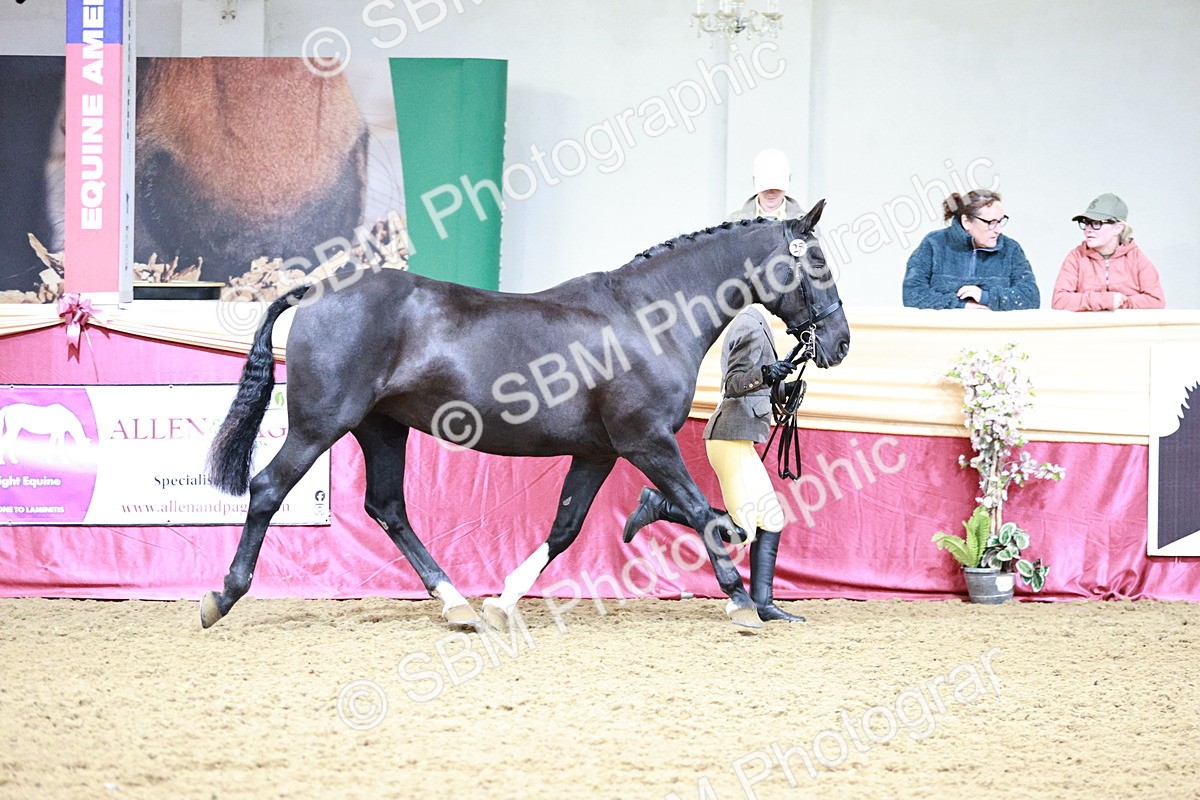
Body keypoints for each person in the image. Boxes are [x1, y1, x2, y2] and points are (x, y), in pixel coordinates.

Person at [622, 149, 806, 624]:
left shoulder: (764, 323)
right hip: (730, 435)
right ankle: (661, 503)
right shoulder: (743, 321)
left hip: (744, 432)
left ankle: (763, 604)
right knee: (743, 528)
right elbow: (736, 381)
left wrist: (782, 387)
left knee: (772, 520)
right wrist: (770, 376)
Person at [902, 189, 1040, 310]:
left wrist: (985, 297)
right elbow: (913, 294)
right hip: (943, 335)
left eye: (1000, 221)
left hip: (994, 336)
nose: (998, 230)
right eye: (991, 222)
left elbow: (1030, 297)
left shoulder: (1011, 249)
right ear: (966, 221)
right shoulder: (933, 243)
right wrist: (962, 305)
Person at [1051, 193, 1165, 311]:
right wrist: (1105, 300)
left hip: (1127, 329)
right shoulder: (1076, 257)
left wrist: (1122, 303)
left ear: (1118, 228)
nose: (1087, 230)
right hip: (1089, 328)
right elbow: (1059, 301)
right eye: (1086, 223)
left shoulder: (1136, 258)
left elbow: (1156, 300)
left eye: (1096, 223)